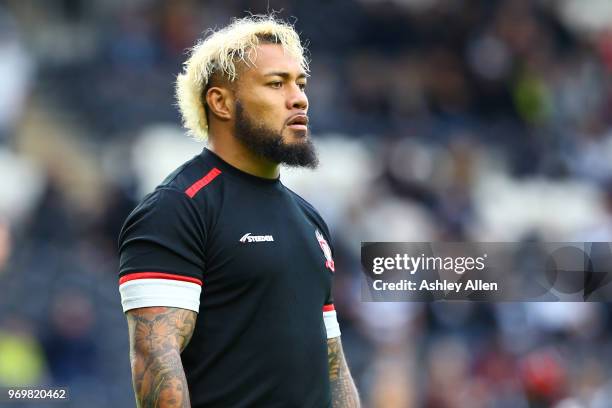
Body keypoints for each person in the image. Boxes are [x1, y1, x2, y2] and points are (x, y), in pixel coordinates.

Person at [118, 15, 360, 408]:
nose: (299, 98)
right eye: (276, 83)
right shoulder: (178, 208)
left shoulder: (311, 221)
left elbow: (334, 367)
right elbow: (156, 360)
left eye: (300, 83)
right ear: (221, 102)